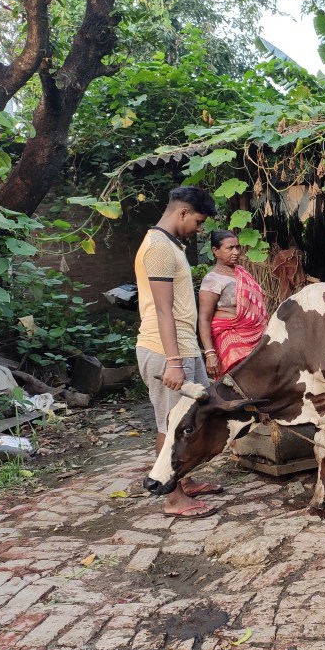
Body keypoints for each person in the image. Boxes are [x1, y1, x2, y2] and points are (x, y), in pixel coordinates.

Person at [134, 186, 224, 519]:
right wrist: (173, 362)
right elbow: (163, 310)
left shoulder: (171, 245)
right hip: (165, 351)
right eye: (198, 222)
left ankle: (184, 480)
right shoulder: (158, 247)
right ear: (182, 212)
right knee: (170, 425)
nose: (199, 229)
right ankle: (172, 498)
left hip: (183, 347)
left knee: (191, 419)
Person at [198, 230, 269, 379]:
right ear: (215, 251)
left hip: (256, 337)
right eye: (230, 248)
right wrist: (210, 354)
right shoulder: (212, 280)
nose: (236, 252)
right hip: (230, 339)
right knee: (236, 383)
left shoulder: (242, 273)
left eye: (237, 247)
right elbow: (204, 318)